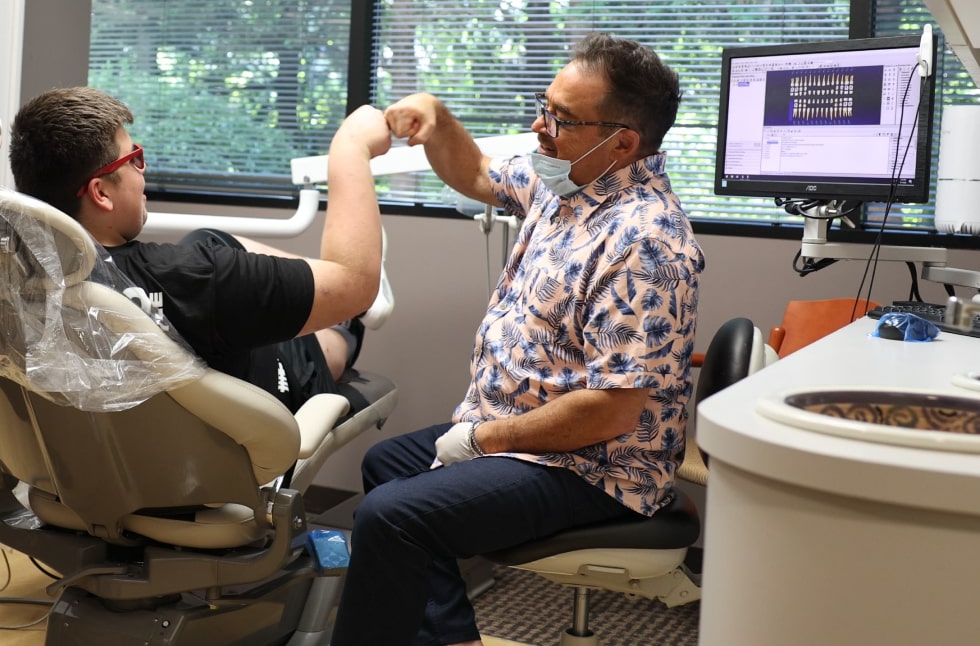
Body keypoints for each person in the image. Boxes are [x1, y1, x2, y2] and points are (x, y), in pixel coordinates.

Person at [330, 32, 705, 646]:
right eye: (544, 104)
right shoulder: (570, 184)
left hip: (596, 467)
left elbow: (611, 411)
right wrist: (438, 118)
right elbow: (477, 173)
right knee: (386, 464)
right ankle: (451, 638)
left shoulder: (645, 242)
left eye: (561, 118)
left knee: (393, 516)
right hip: (535, 435)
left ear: (624, 143)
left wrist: (480, 438)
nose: (539, 126)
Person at [9, 86, 391, 412]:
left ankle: (316, 282)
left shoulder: (18, 282)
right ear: (101, 193)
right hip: (264, 390)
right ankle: (347, 322)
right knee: (337, 320)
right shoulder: (197, 276)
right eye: (133, 160)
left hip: (107, 459)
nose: (143, 171)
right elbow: (356, 281)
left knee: (209, 239)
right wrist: (351, 146)